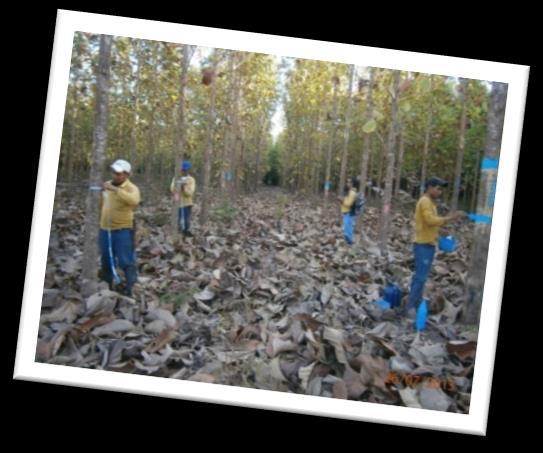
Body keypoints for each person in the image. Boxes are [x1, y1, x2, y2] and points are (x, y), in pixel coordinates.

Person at [406, 176, 464, 317]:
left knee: (421, 276)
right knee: (420, 277)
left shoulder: (430, 202)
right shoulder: (425, 201)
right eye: (438, 189)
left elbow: (428, 224)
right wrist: (450, 218)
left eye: (441, 189)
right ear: (430, 187)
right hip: (423, 245)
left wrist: (439, 232)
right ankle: (410, 308)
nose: (440, 192)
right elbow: (430, 220)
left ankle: (416, 303)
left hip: (428, 243)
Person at [99, 159, 140, 297]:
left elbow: (134, 201)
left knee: (126, 260)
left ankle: (131, 289)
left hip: (122, 230)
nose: (115, 175)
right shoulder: (107, 186)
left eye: (119, 173)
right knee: (106, 260)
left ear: (126, 175)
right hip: (105, 230)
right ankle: (107, 290)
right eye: (114, 172)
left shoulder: (132, 188)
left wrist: (116, 190)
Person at [170, 160, 196, 237]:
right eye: (183, 170)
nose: (184, 171)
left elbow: (190, 192)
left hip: (187, 203)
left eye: (185, 170)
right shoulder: (176, 178)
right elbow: (172, 189)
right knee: (178, 219)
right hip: (177, 202)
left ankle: (185, 233)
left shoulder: (191, 180)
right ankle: (177, 233)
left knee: (185, 220)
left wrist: (184, 187)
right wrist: (177, 185)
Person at [337, 177, 360, 245]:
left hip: (349, 212)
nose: (348, 183)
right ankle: (349, 242)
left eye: (349, 182)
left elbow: (348, 203)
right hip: (347, 212)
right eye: (347, 182)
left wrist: (341, 200)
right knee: (348, 226)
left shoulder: (352, 193)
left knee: (348, 226)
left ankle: (350, 242)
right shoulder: (349, 192)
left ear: (353, 184)